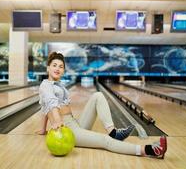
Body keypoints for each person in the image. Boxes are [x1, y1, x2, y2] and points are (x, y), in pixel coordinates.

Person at [36, 52, 167, 158]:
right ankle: (149, 150)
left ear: (64, 70)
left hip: (74, 124)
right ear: (48, 68)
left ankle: (113, 131)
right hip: (66, 129)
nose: (57, 68)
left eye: (61, 66)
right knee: (105, 141)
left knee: (97, 96)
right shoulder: (45, 85)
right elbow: (51, 103)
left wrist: (43, 130)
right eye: (54, 65)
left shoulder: (59, 86)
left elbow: (44, 107)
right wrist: (57, 120)